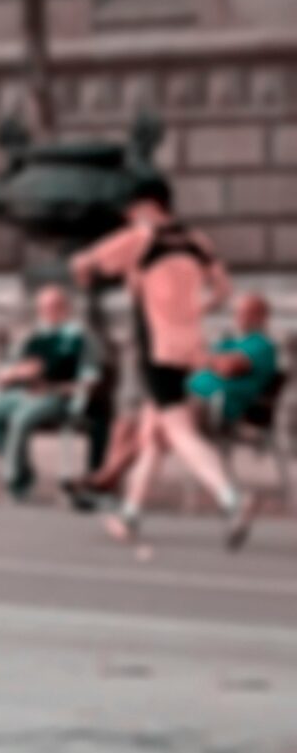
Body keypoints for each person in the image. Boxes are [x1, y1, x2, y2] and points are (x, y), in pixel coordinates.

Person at [71, 182, 253, 551]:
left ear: (149, 205)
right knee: (152, 436)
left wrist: (85, 274)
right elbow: (222, 290)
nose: (128, 216)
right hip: (189, 346)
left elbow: (85, 263)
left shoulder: (142, 237)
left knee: (179, 431)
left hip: (156, 349)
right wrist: (191, 312)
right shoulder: (196, 240)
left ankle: (231, 498)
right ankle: (130, 513)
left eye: (132, 208)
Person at [0, 284, 95, 499]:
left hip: (55, 395)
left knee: (21, 418)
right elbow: (9, 370)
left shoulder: (78, 338)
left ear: (66, 308)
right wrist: (17, 373)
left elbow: (89, 379)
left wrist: (57, 387)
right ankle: (22, 469)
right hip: (22, 393)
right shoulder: (33, 338)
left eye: (54, 307)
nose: (48, 312)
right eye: (44, 307)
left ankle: (15, 482)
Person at [191, 290, 280, 439]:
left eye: (247, 312)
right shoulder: (229, 342)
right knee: (154, 418)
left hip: (216, 407)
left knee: (163, 418)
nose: (240, 317)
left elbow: (228, 367)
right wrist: (213, 360)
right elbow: (195, 359)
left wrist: (209, 359)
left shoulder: (262, 345)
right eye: (238, 312)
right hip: (193, 396)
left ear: (262, 317)